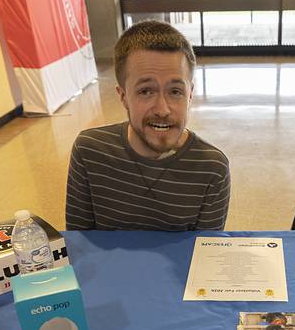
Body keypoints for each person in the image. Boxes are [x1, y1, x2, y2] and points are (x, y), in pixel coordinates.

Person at [65, 20, 230, 231]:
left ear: (189, 96)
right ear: (123, 96)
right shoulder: (89, 151)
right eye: (145, 91)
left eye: (175, 91)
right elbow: (79, 242)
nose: (163, 109)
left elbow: (205, 255)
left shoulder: (212, 168)